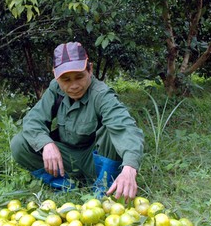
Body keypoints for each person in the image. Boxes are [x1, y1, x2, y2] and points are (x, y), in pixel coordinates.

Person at [10, 42, 144, 202]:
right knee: (20, 143)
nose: (73, 86)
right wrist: (46, 144)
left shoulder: (101, 95)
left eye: (79, 77)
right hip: (65, 158)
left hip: (95, 159)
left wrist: (129, 168)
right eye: (65, 79)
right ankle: (65, 185)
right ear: (55, 75)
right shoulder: (55, 89)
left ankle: (104, 188)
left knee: (112, 133)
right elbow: (33, 120)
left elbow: (126, 128)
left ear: (90, 69)